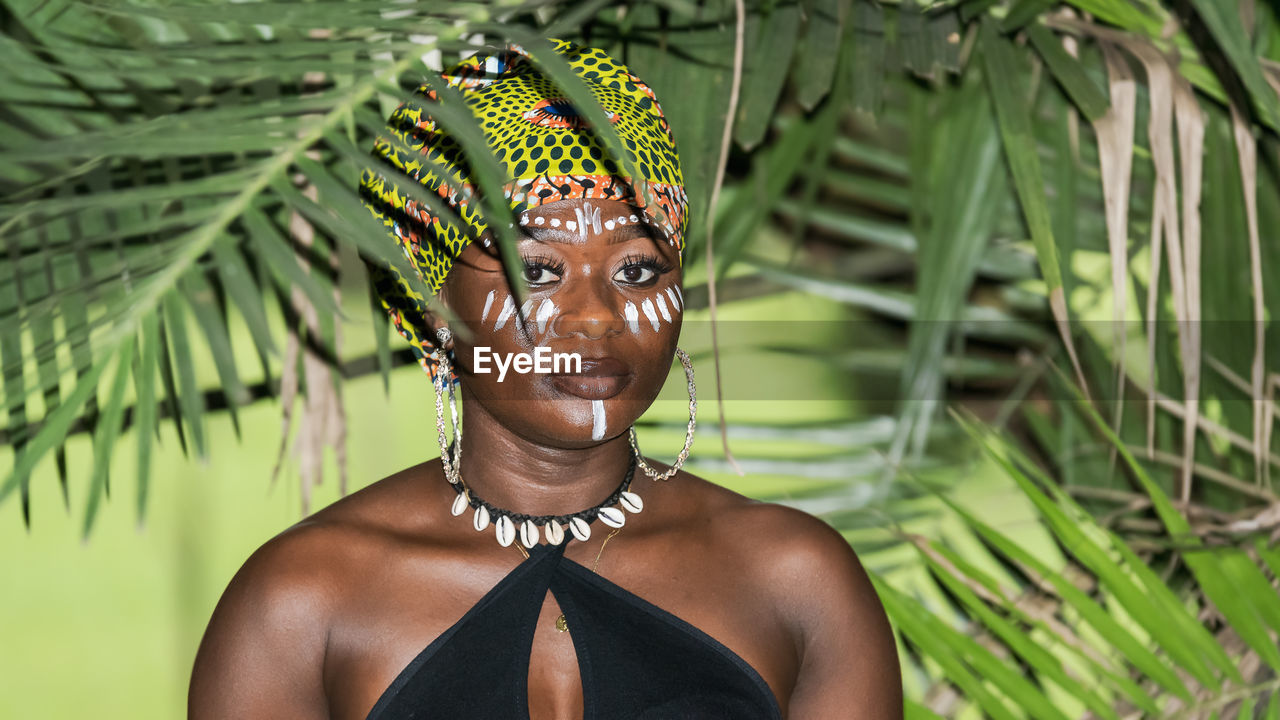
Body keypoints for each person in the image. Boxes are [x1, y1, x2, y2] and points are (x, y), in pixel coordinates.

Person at [189, 39, 901, 720]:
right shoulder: (301, 604)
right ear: (433, 304)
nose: (594, 318)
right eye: (536, 271)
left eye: (638, 270)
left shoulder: (797, 584)